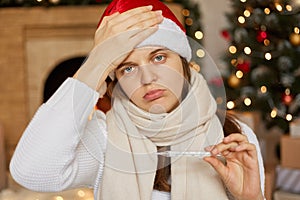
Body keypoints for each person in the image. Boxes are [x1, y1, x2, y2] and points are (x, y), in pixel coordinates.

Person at [10, 0, 265, 199]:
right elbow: (31, 172)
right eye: (127, 68)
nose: (147, 78)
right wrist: (96, 63)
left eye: (159, 57)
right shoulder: (105, 138)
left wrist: (252, 198)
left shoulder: (233, 136)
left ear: (186, 65)